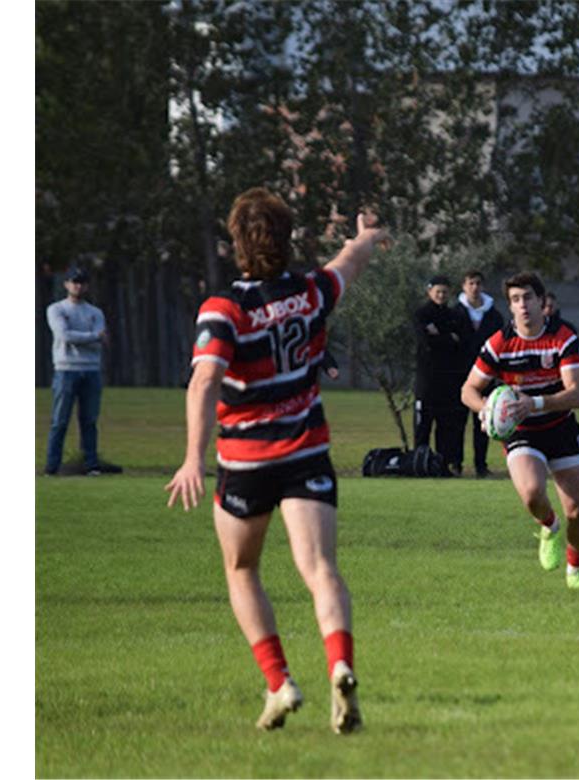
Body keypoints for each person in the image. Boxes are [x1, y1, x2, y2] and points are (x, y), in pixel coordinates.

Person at [165, 188, 387, 735]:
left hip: (245, 463)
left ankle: (279, 682)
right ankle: (340, 664)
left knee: (242, 569)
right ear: (287, 240)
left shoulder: (224, 310)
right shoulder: (312, 292)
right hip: (306, 452)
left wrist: (193, 457)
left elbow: (205, 379)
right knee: (321, 571)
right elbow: (350, 261)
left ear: (237, 244)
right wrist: (367, 235)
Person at [461, 272, 579, 590]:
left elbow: (578, 394)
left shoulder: (563, 337)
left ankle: (575, 571)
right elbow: (467, 390)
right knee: (533, 493)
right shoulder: (499, 343)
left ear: (541, 301)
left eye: (528, 298)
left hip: (560, 425)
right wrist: (487, 411)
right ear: (510, 306)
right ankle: (549, 526)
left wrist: (533, 402)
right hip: (521, 429)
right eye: (516, 300)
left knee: (576, 510)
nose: (523, 306)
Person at [45, 267, 121, 476]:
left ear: (86, 286)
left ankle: (91, 464)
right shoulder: (56, 309)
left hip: (91, 370)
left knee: (89, 420)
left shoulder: (95, 312)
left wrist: (87, 336)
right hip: (65, 369)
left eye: (81, 282)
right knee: (60, 420)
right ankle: (52, 466)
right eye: (73, 282)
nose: (77, 286)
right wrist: (93, 336)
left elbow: (100, 337)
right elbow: (64, 335)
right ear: (66, 284)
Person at [413, 275, 467, 473]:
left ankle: (443, 465)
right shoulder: (421, 314)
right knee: (423, 425)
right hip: (427, 380)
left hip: (448, 380)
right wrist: (448, 337)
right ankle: (420, 463)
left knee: (446, 426)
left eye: (445, 292)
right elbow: (426, 343)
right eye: (438, 292)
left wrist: (439, 335)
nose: (441, 295)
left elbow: (460, 342)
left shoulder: (455, 315)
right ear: (429, 292)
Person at [454, 269, 504, 477]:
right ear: (464, 287)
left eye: (478, 283)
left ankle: (480, 466)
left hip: (486, 377)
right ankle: (455, 463)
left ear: (483, 286)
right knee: (456, 422)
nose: (474, 287)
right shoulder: (454, 313)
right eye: (470, 283)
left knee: (483, 420)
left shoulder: (494, 316)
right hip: (459, 375)